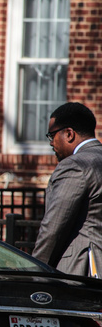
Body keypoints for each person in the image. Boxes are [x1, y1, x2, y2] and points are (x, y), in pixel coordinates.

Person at [32, 102, 102, 276]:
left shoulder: (75, 165)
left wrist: (35, 271)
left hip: (84, 270)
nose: (50, 143)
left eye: (52, 135)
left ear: (69, 134)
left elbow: (54, 227)